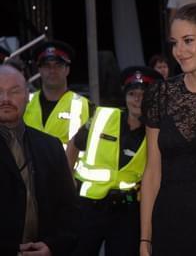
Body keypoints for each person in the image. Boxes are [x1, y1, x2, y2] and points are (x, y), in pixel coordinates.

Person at [140, 3, 196, 256]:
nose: (178, 51)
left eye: (188, 40)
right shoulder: (160, 94)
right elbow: (152, 172)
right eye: (174, 42)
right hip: (168, 226)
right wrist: (145, 240)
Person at [67, 66, 162, 256]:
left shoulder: (157, 132)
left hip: (127, 212)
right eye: (132, 93)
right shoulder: (102, 117)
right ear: (124, 96)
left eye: (143, 94)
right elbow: (74, 145)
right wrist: (67, 185)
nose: (137, 99)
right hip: (89, 206)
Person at [0, 65, 78, 256]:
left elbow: (69, 210)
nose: (5, 99)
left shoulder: (51, 147)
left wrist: (53, 246)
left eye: (14, 91)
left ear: (27, 95)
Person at [23, 40, 92, 150]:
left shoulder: (85, 106)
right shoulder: (24, 102)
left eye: (58, 65)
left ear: (67, 70)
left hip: (68, 167)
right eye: (47, 66)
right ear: (39, 70)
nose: (52, 70)